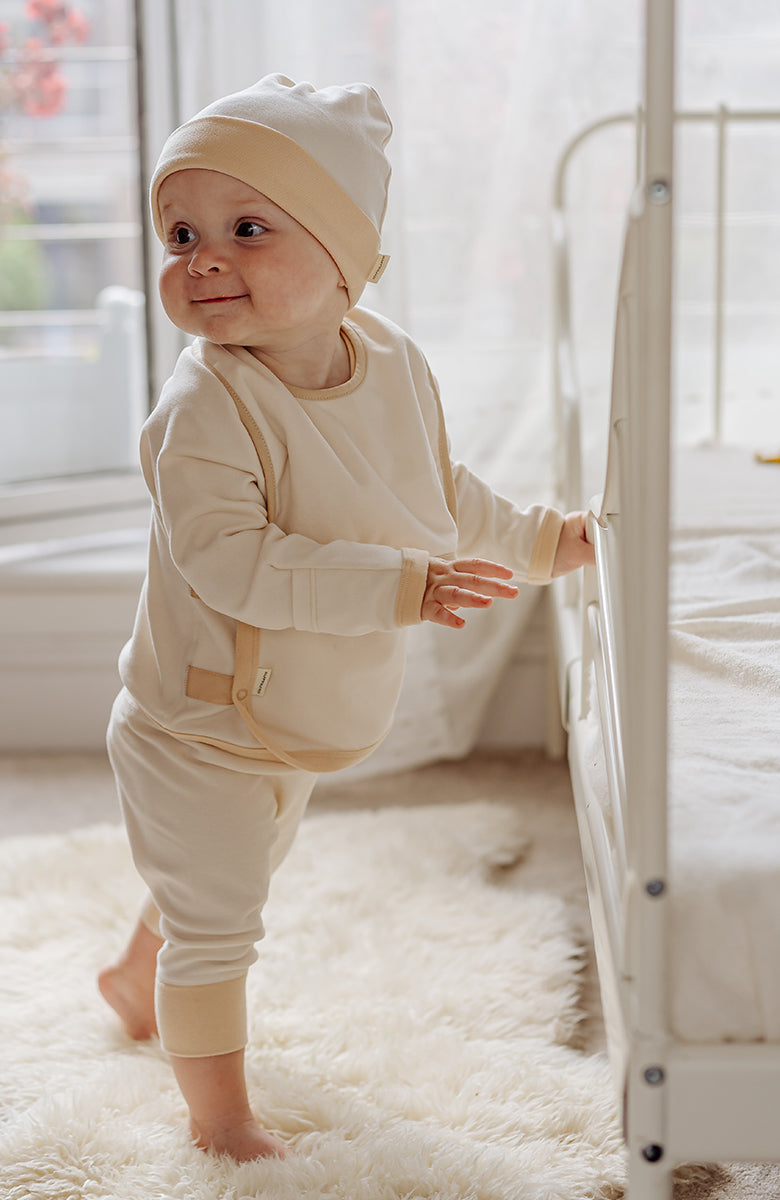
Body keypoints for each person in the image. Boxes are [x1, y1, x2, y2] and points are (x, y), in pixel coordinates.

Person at [98, 74, 594, 1164]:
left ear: (346, 259)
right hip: (197, 720)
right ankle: (220, 1122)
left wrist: (540, 542)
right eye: (180, 234)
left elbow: (433, 493)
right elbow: (233, 566)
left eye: (247, 228)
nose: (203, 259)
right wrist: (401, 588)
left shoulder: (393, 365)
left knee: (218, 875)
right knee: (222, 918)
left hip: (293, 710)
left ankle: (135, 976)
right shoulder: (204, 408)